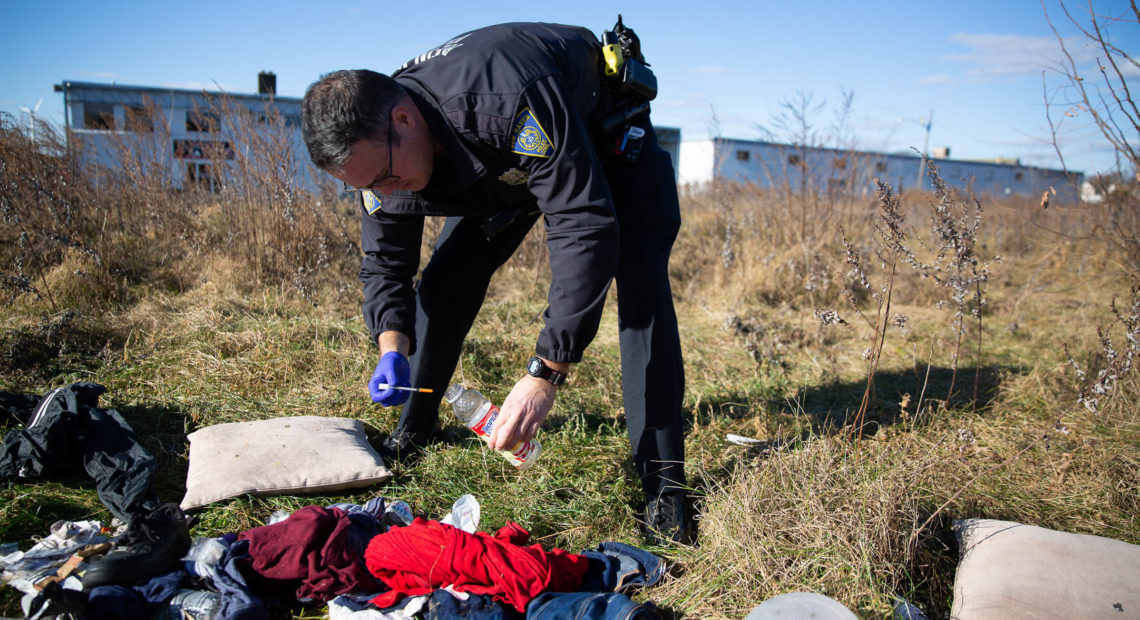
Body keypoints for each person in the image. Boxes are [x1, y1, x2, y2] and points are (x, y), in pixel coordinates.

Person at [300, 20, 692, 544]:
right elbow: (386, 262)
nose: (383, 191)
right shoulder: (381, 151)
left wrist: (544, 375)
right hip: (505, 163)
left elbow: (584, 228)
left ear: (403, 118)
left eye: (386, 177)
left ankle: (664, 487)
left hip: (601, 128)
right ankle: (413, 428)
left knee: (641, 293)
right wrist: (390, 345)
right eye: (369, 186)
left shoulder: (503, 99)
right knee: (444, 284)